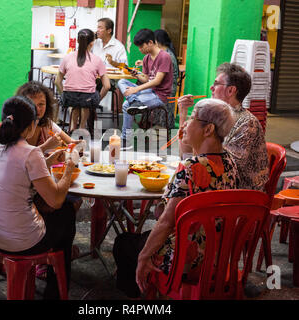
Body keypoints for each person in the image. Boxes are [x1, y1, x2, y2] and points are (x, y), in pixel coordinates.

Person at [113, 99, 240, 298]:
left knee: (123, 243)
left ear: (208, 129)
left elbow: (164, 221)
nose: (186, 124)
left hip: (184, 259)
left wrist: (143, 257)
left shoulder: (190, 168)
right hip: (216, 256)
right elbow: (192, 156)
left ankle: (138, 294)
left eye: (191, 118)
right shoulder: (229, 162)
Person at [0, 96, 77, 299]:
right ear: (32, 125)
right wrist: (69, 168)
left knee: (52, 211)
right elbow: (56, 200)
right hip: (23, 243)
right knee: (66, 210)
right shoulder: (30, 153)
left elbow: (18, 170)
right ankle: (55, 292)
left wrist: (47, 161)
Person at [178, 62, 269, 191]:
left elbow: (226, 169)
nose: (211, 88)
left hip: (241, 193)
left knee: (179, 188)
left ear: (231, 90)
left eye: (216, 84)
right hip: (218, 181)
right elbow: (186, 154)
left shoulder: (247, 123)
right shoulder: (216, 117)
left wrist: (190, 164)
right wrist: (183, 113)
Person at [117, 29, 173, 147]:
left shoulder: (164, 57)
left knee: (126, 105)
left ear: (150, 43)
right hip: (148, 91)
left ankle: (126, 141)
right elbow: (147, 79)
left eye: (141, 46)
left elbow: (157, 81)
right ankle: (135, 102)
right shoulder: (146, 58)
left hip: (159, 95)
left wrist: (136, 89)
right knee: (122, 81)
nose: (140, 49)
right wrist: (136, 74)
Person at [56, 29, 110, 132]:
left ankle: (72, 126)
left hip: (69, 98)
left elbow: (57, 81)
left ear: (77, 41)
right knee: (86, 100)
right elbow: (107, 86)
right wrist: (97, 100)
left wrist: (63, 94)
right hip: (87, 99)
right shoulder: (97, 60)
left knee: (75, 101)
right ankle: (82, 127)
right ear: (92, 43)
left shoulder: (67, 58)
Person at [16, 81, 81, 152]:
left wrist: (78, 145)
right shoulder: (13, 127)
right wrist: (46, 146)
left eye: (41, 104)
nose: (37, 109)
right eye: (31, 104)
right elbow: (20, 157)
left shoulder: (47, 124)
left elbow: (70, 142)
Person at [153, 29, 179, 129]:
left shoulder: (167, 55)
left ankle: (162, 131)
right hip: (165, 87)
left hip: (167, 89)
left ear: (157, 42)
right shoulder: (165, 53)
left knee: (164, 113)